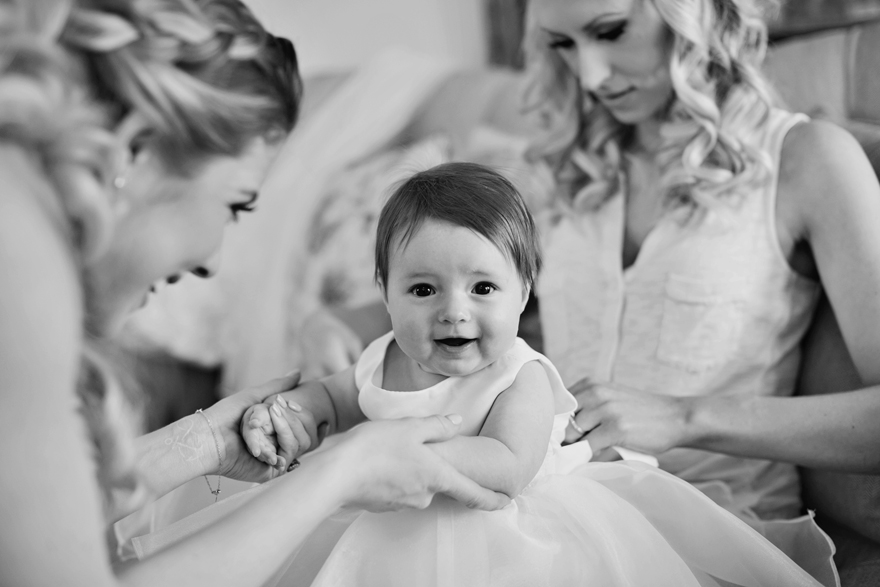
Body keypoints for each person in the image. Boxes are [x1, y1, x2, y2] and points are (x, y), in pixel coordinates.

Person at [0, 1, 508, 586]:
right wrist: (342, 471)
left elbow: (34, 520)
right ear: (134, 151)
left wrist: (209, 442)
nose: (213, 260)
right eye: (234, 204)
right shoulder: (23, 271)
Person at [229, 162, 829, 586]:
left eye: (483, 287)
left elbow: (507, 468)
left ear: (524, 293)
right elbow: (334, 400)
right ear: (384, 293)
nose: (454, 310)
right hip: (392, 525)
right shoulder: (382, 355)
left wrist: (382, 449)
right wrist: (290, 417)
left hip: (513, 532)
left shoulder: (520, 376)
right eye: (422, 289)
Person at [522, 0, 880, 576]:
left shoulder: (807, 160)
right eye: (562, 44)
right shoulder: (565, 167)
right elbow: (473, 295)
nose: (590, 76)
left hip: (709, 543)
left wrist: (687, 417)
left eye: (611, 32)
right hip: (550, 522)